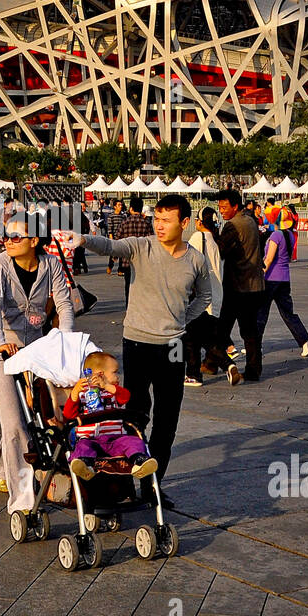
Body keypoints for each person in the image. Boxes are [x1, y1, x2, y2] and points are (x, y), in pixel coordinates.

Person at [62, 194, 210, 505]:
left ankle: (153, 485)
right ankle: (125, 479)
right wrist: (83, 239)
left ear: (183, 223)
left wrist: (183, 318)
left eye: (166, 220)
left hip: (173, 345)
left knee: (168, 417)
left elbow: (205, 296)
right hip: (138, 343)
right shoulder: (142, 246)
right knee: (135, 413)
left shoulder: (195, 259)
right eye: (156, 218)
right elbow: (111, 246)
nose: (159, 225)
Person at [0, 213, 74, 515]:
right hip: (3, 351)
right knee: (14, 424)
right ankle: (23, 499)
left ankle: (2, 468)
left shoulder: (50, 264)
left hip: (36, 348)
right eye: (6, 237)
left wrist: (65, 339)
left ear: (34, 241)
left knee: (34, 416)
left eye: (15, 237)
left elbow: (63, 302)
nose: (8, 242)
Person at [64, 352, 156, 482]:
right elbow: (68, 414)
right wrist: (74, 393)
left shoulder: (113, 391)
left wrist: (107, 385)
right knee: (82, 446)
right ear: (101, 374)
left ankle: (139, 462)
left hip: (116, 439)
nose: (118, 376)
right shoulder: (83, 394)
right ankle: (85, 466)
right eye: (115, 372)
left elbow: (125, 397)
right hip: (91, 439)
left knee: (133, 441)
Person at [212, 188, 263, 384]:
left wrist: (211, 232)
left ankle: (214, 363)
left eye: (224, 207)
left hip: (238, 286)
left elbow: (220, 251)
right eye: (219, 207)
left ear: (235, 206)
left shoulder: (233, 225)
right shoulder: (250, 220)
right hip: (255, 285)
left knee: (220, 330)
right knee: (250, 332)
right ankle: (253, 369)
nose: (222, 211)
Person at [259, 209, 308, 355]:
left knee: (261, 313)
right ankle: (305, 340)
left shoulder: (276, 235)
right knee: (288, 313)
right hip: (284, 278)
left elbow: (269, 259)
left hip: (270, 279)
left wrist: (260, 273)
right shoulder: (290, 235)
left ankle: (255, 345)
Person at [184, 207, 224, 386]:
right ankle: (212, 365)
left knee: (194, 339)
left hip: (202, 297)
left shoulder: (197, 238)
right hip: (217, 295)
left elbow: (190, 265)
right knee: (207, 337)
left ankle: (195, 373)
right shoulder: (215, 240)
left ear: (200, 222)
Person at [111, 195, 153, 305]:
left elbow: (117, 240)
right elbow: (151, 242)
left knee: (128, 286)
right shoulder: (147, 223)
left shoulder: (124, 223)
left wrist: (114, 256)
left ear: (131, 209)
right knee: (142, 287)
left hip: (127, 261)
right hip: (143, 261)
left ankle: (129, 308)